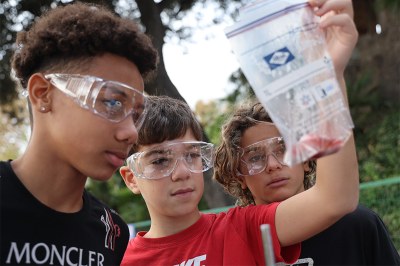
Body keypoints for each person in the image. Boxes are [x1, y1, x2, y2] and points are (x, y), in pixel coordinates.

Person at [0, 2, 158, 265]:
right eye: (112, 102)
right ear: (42, 94)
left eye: (136, 114)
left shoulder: (113, 233)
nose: (131, 132)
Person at [214, 101, 400, 265]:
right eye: (255, 158)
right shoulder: (232, 244)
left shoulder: (357, 224)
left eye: (283, 149)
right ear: (240, 177)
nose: (272, 165)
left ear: (305, 159)